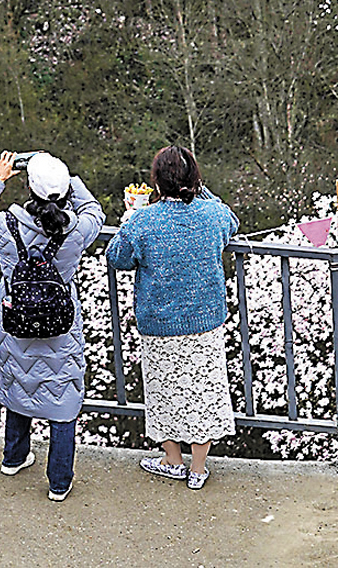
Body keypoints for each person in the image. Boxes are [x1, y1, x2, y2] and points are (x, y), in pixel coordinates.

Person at [0, 150, 104, 501]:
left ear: (29, 187)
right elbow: (95, 213)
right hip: (60, 323)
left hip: (15, 318)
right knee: (62, 396)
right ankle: (58, 482)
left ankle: (14, 456)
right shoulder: (75, 230)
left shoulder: (4, 227)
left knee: (18, 381)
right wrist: (68, 178)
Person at [105, 144, 238, 490]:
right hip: (205, 321)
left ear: (156, 182)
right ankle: (197, 469)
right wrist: (198, 188)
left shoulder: (145, 221)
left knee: (164, 391)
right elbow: (232, 221)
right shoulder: (212, 215)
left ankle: (172, 460)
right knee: (203, 391)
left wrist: (132, 217)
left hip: (160, 323)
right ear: (195, 178)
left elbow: (116, 256)